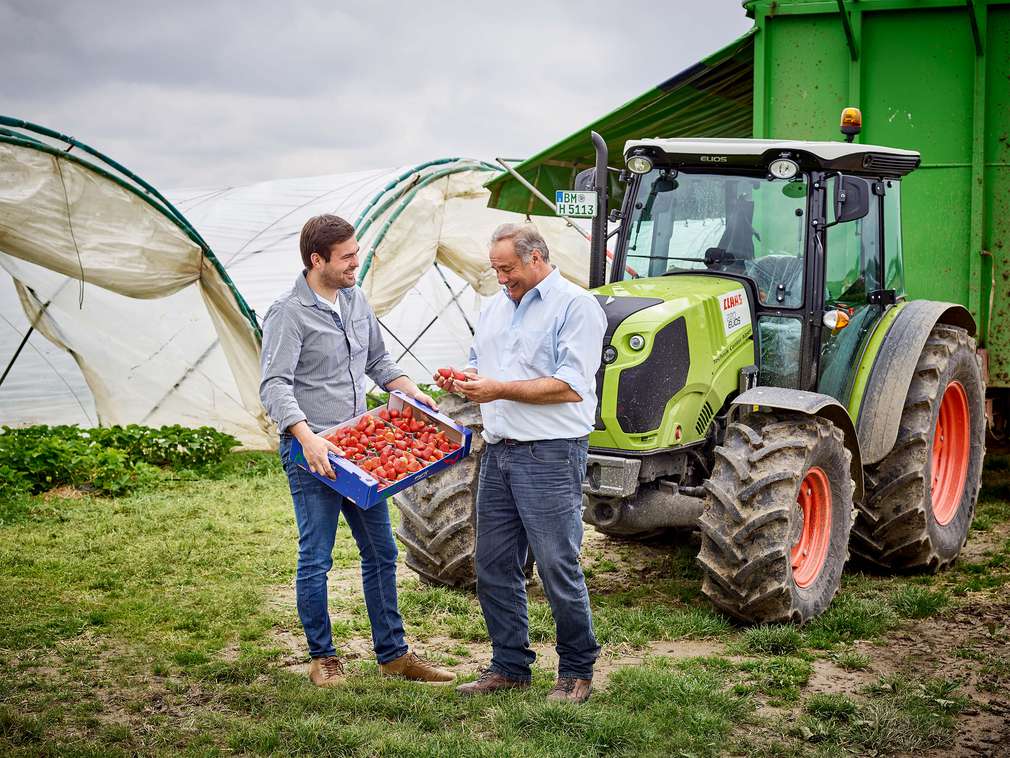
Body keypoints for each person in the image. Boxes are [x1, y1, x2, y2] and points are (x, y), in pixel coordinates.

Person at [260, 214, 453, 687]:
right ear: (316, 259)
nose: (356, 263)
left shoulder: (355, 300)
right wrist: (307, 437)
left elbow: (377, 361)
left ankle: (393, 655)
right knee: (317, 557)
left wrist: (411, 390)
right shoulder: (288, 312)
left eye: (356, 253)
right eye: (347, 257)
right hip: (313, 453)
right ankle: (323, 658)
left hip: (357, 449)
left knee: (382, 553)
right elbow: (274, 385)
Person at [436, 223, 606, 704]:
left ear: (536, 259)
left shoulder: (575, 307)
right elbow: (480, 364)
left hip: (550, 453)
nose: (500, 278)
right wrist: (462, 379)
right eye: (495, 269)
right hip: (499, 450)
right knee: (492, 565)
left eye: (506, 269)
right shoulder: (492, 309)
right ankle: (510, 665)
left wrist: (497, 389)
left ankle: (576, 670)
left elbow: (571, 386)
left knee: (557, 564)